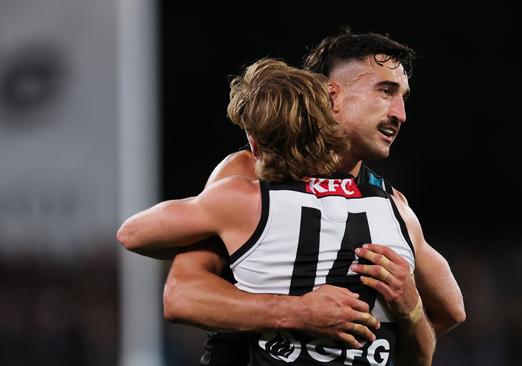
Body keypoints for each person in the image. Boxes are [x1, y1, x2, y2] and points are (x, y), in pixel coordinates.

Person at [119, 29, 465, 365]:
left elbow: (449, 312)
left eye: (403, 96)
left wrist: (411, 309)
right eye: (385, 91)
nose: (399, 114)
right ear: (331, 95)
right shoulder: (249, 172)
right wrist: (297, 312)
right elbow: (182, 293)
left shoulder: (388, 200)